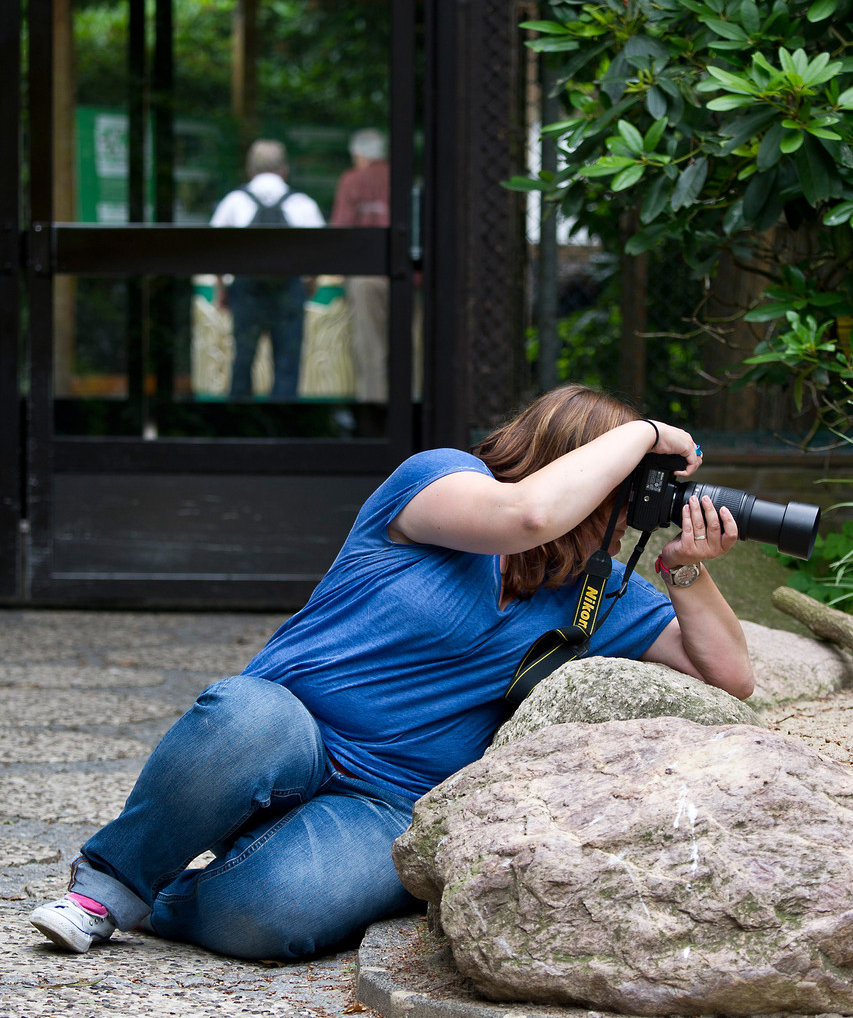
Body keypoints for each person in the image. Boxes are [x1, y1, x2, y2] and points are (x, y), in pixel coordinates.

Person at [30, 385, 753, 960]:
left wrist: (684, 566)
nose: (627, 514)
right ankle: (109, 887)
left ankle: (174, 901)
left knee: (275, 915)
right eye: (623, 492)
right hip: (288, 730)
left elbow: (728, 674)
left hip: (384, 801)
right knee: (246, 718)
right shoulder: (442, 481)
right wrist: (647, 435)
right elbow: (527, 514)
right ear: (571, 460)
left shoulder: (597, 589)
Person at [210, 139, 325, 400]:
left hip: (246, 293)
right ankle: (283, 428)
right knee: (287, 364)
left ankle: (240, 424)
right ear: (284, 169)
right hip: (288, 293)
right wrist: (310, 283)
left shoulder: (234, 201)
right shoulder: (302, 203)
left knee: (243, 360)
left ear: (250, 170)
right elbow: (320, 251)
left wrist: (221, 289)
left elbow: (214, 249)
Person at [331, 128, 391, 402]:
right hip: (405, 277)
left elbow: (342, 231)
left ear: (358, 155)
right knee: (409, 347)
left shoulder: (352, 180)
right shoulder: (399, 178)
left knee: (371, 350)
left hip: (367, 277)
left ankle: (376, 413)